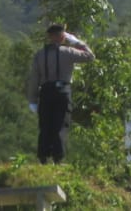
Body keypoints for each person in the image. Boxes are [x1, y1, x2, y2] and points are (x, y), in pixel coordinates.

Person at [26, 23, 95, 164]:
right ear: (63, 36)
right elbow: (90, 56)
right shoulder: (68, 51)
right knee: (61, 124)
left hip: (45, 91)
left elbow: (34, 79)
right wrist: (76, 42)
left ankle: (43, 157)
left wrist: (32, 100)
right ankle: (58, 158)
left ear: (49, 37)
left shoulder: (39, 55)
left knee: (45, 124)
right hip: (62, 91)